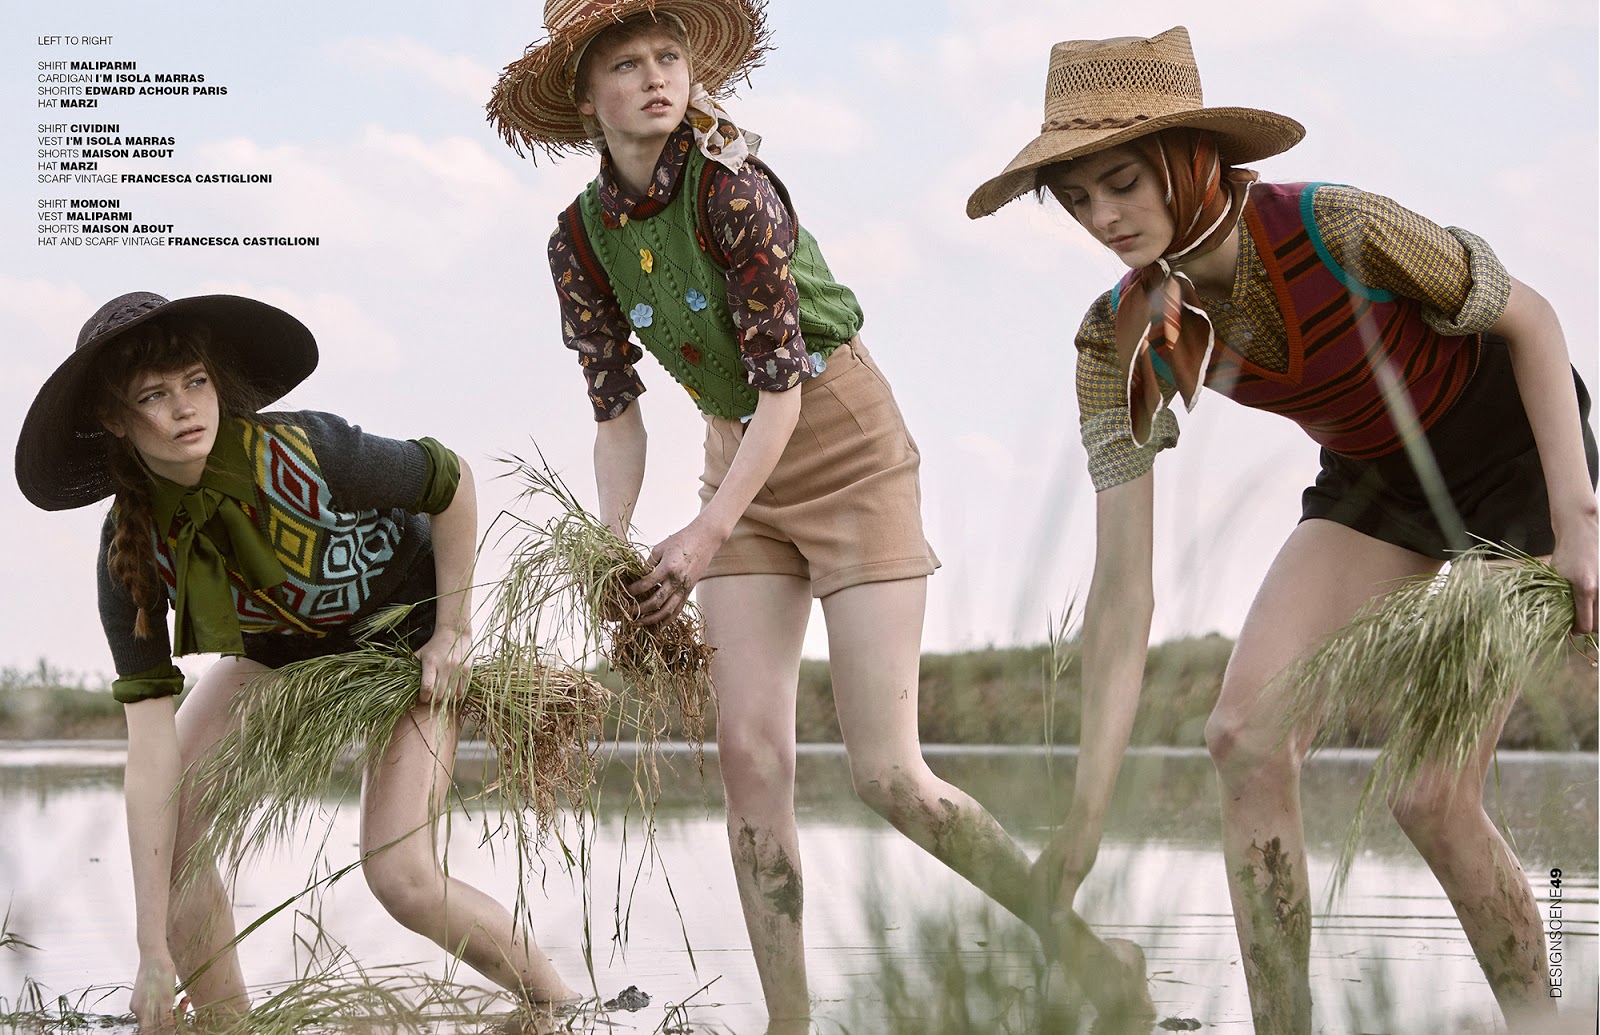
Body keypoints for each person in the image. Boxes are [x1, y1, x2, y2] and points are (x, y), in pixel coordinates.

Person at [486, 1, 1151, 1025]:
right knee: (750, 762)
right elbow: (616, 413)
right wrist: (612, 542)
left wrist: (704, 533)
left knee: (888, 773)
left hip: (843, 443)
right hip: (736, 456)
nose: (656, 77)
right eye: (625, 65)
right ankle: (788, 1021)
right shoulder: (577, 239)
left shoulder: (734, 190)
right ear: (584, 101)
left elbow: (784, 387)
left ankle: (1086, 951)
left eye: (668, 56)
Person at [966, 26, 1599, 1035]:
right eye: (1077, 199)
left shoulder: (1339, 226)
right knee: (1242, 737)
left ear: (1191, 158)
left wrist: (1579, 526)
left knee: (1432, 796)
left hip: (1515, 458)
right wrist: (1082, 824)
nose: (1102, 218)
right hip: (1376, 478)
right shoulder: (1115, 339)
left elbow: (1533, 319)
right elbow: (1122, 592)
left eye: (1122, 183)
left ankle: (1545, 1026)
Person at [14, 291, 578, 1031]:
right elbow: (149, 752)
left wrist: (453, 630)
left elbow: (452, 481)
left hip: (403, 644)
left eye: (195, 381)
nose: (185, 407)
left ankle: (560, 1006)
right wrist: (151, 949)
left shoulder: (307, 451)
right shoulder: (130, 549)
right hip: (279, 654)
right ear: (115, 418)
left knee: (400, 876)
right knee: (174, 832)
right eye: (153, 395)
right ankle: (230, 1024)